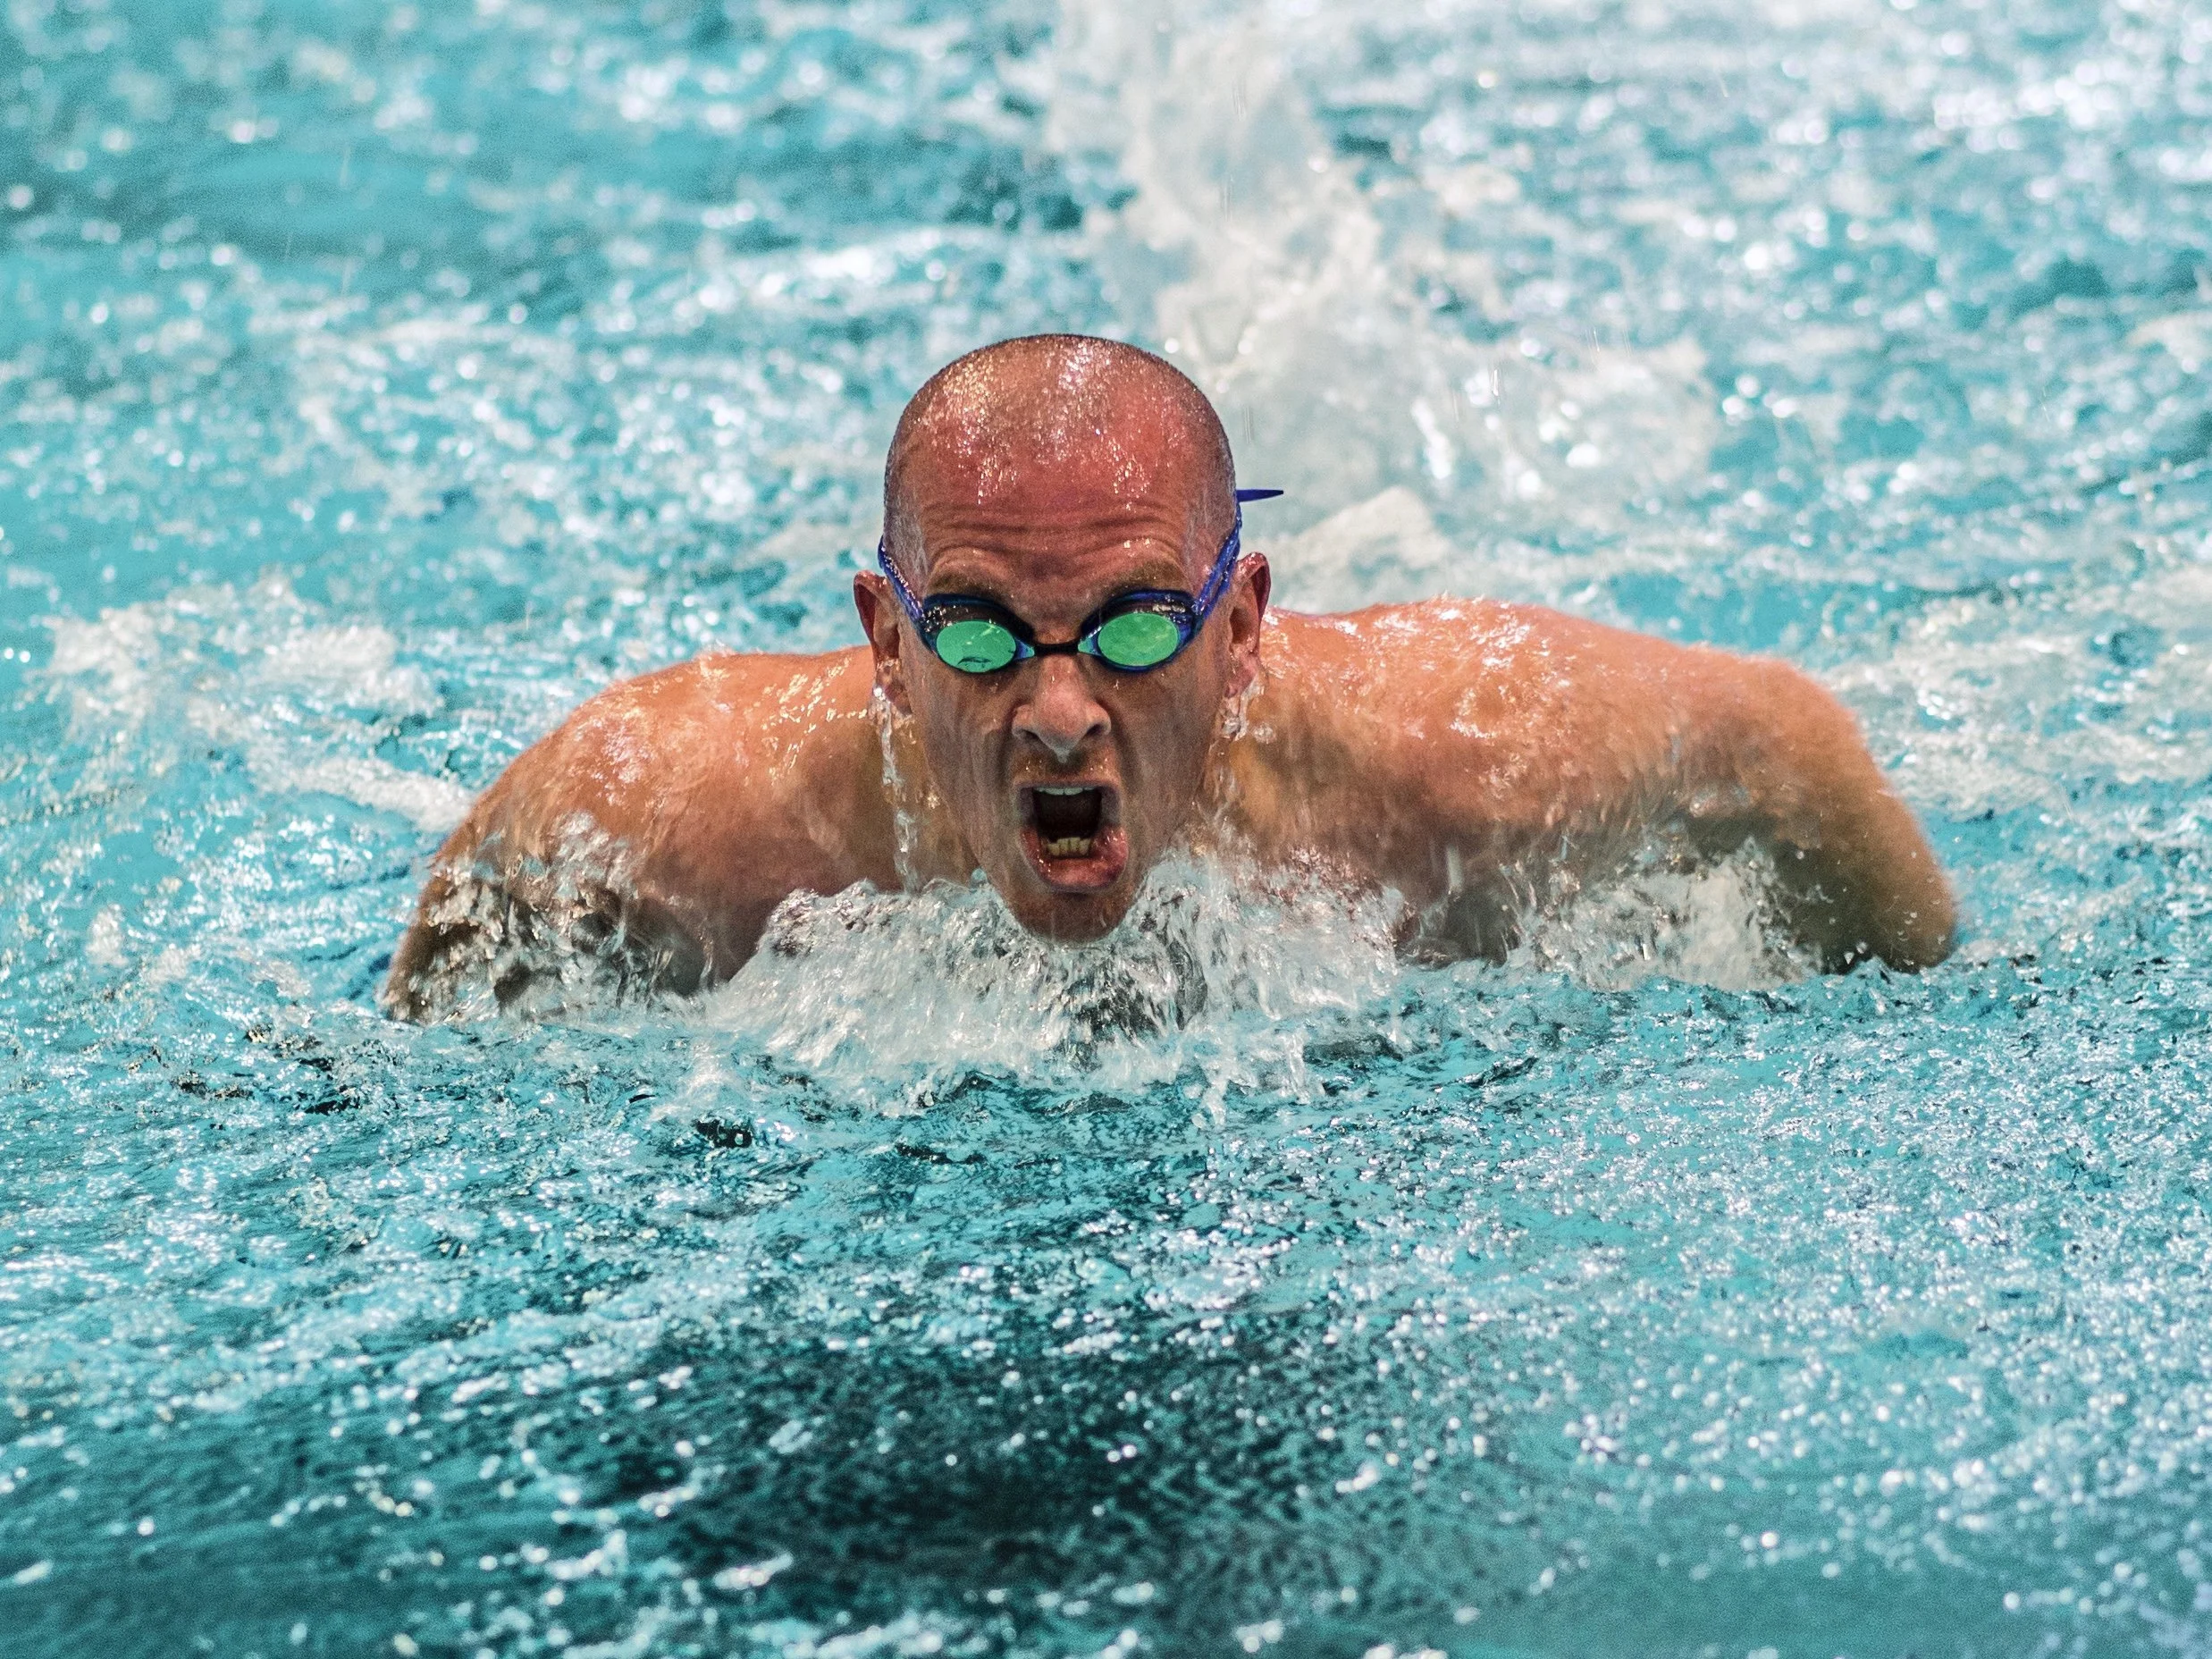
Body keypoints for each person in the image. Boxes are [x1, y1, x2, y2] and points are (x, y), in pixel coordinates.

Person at [383, 334, 1955, 1020]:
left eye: (1136, 626)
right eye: (978, 630)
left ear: (1242, 622)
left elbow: (1779, 744)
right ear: (885, 643)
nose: (1060, 710)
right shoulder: (661, 813)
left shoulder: (1457, 766)